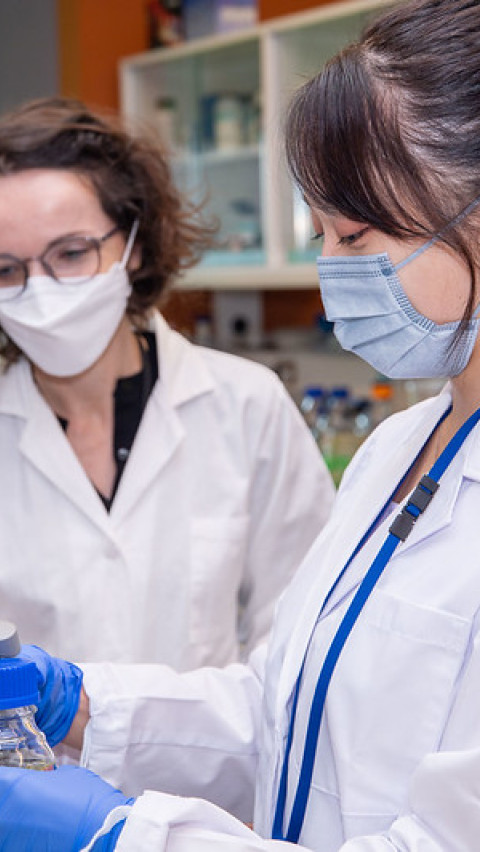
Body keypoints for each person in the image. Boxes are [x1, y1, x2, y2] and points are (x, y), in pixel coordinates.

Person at [4, 0, 480, 848]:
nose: (330, 269)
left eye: (353, 231)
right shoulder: (400, 448)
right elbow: (283, 713)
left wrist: (127, 834)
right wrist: (82, 701)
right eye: (320, 230)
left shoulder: (246, 404)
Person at [0, 97, 335, 676]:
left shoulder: (244, 405)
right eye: (7, 269)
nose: (39, 291)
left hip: (217, 763)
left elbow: (303, 640)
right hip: (32, 768)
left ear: (133, 245)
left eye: (72, 253)